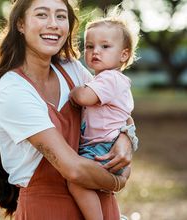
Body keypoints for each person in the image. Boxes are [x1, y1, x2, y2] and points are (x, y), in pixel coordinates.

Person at [0, 0, 135, 219]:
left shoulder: (72, 69)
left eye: (61, 16)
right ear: (20, 24)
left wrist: (127, 138)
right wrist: (119, 181)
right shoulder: (13, 89)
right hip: (49, 211)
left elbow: (116, 110)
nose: (53, 24)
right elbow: (74, 170)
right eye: (42, 15)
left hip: (100, 205)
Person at [68, 8, 140, 220]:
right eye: (90, 46)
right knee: (91, 187)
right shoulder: (104, 79)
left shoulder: (111, 79)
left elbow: (84, 98)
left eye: (105, 46)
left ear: (124, 54)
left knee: (77, 183)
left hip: (103, 148)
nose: (95, 52)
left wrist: (75, 91)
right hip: (102, 146)